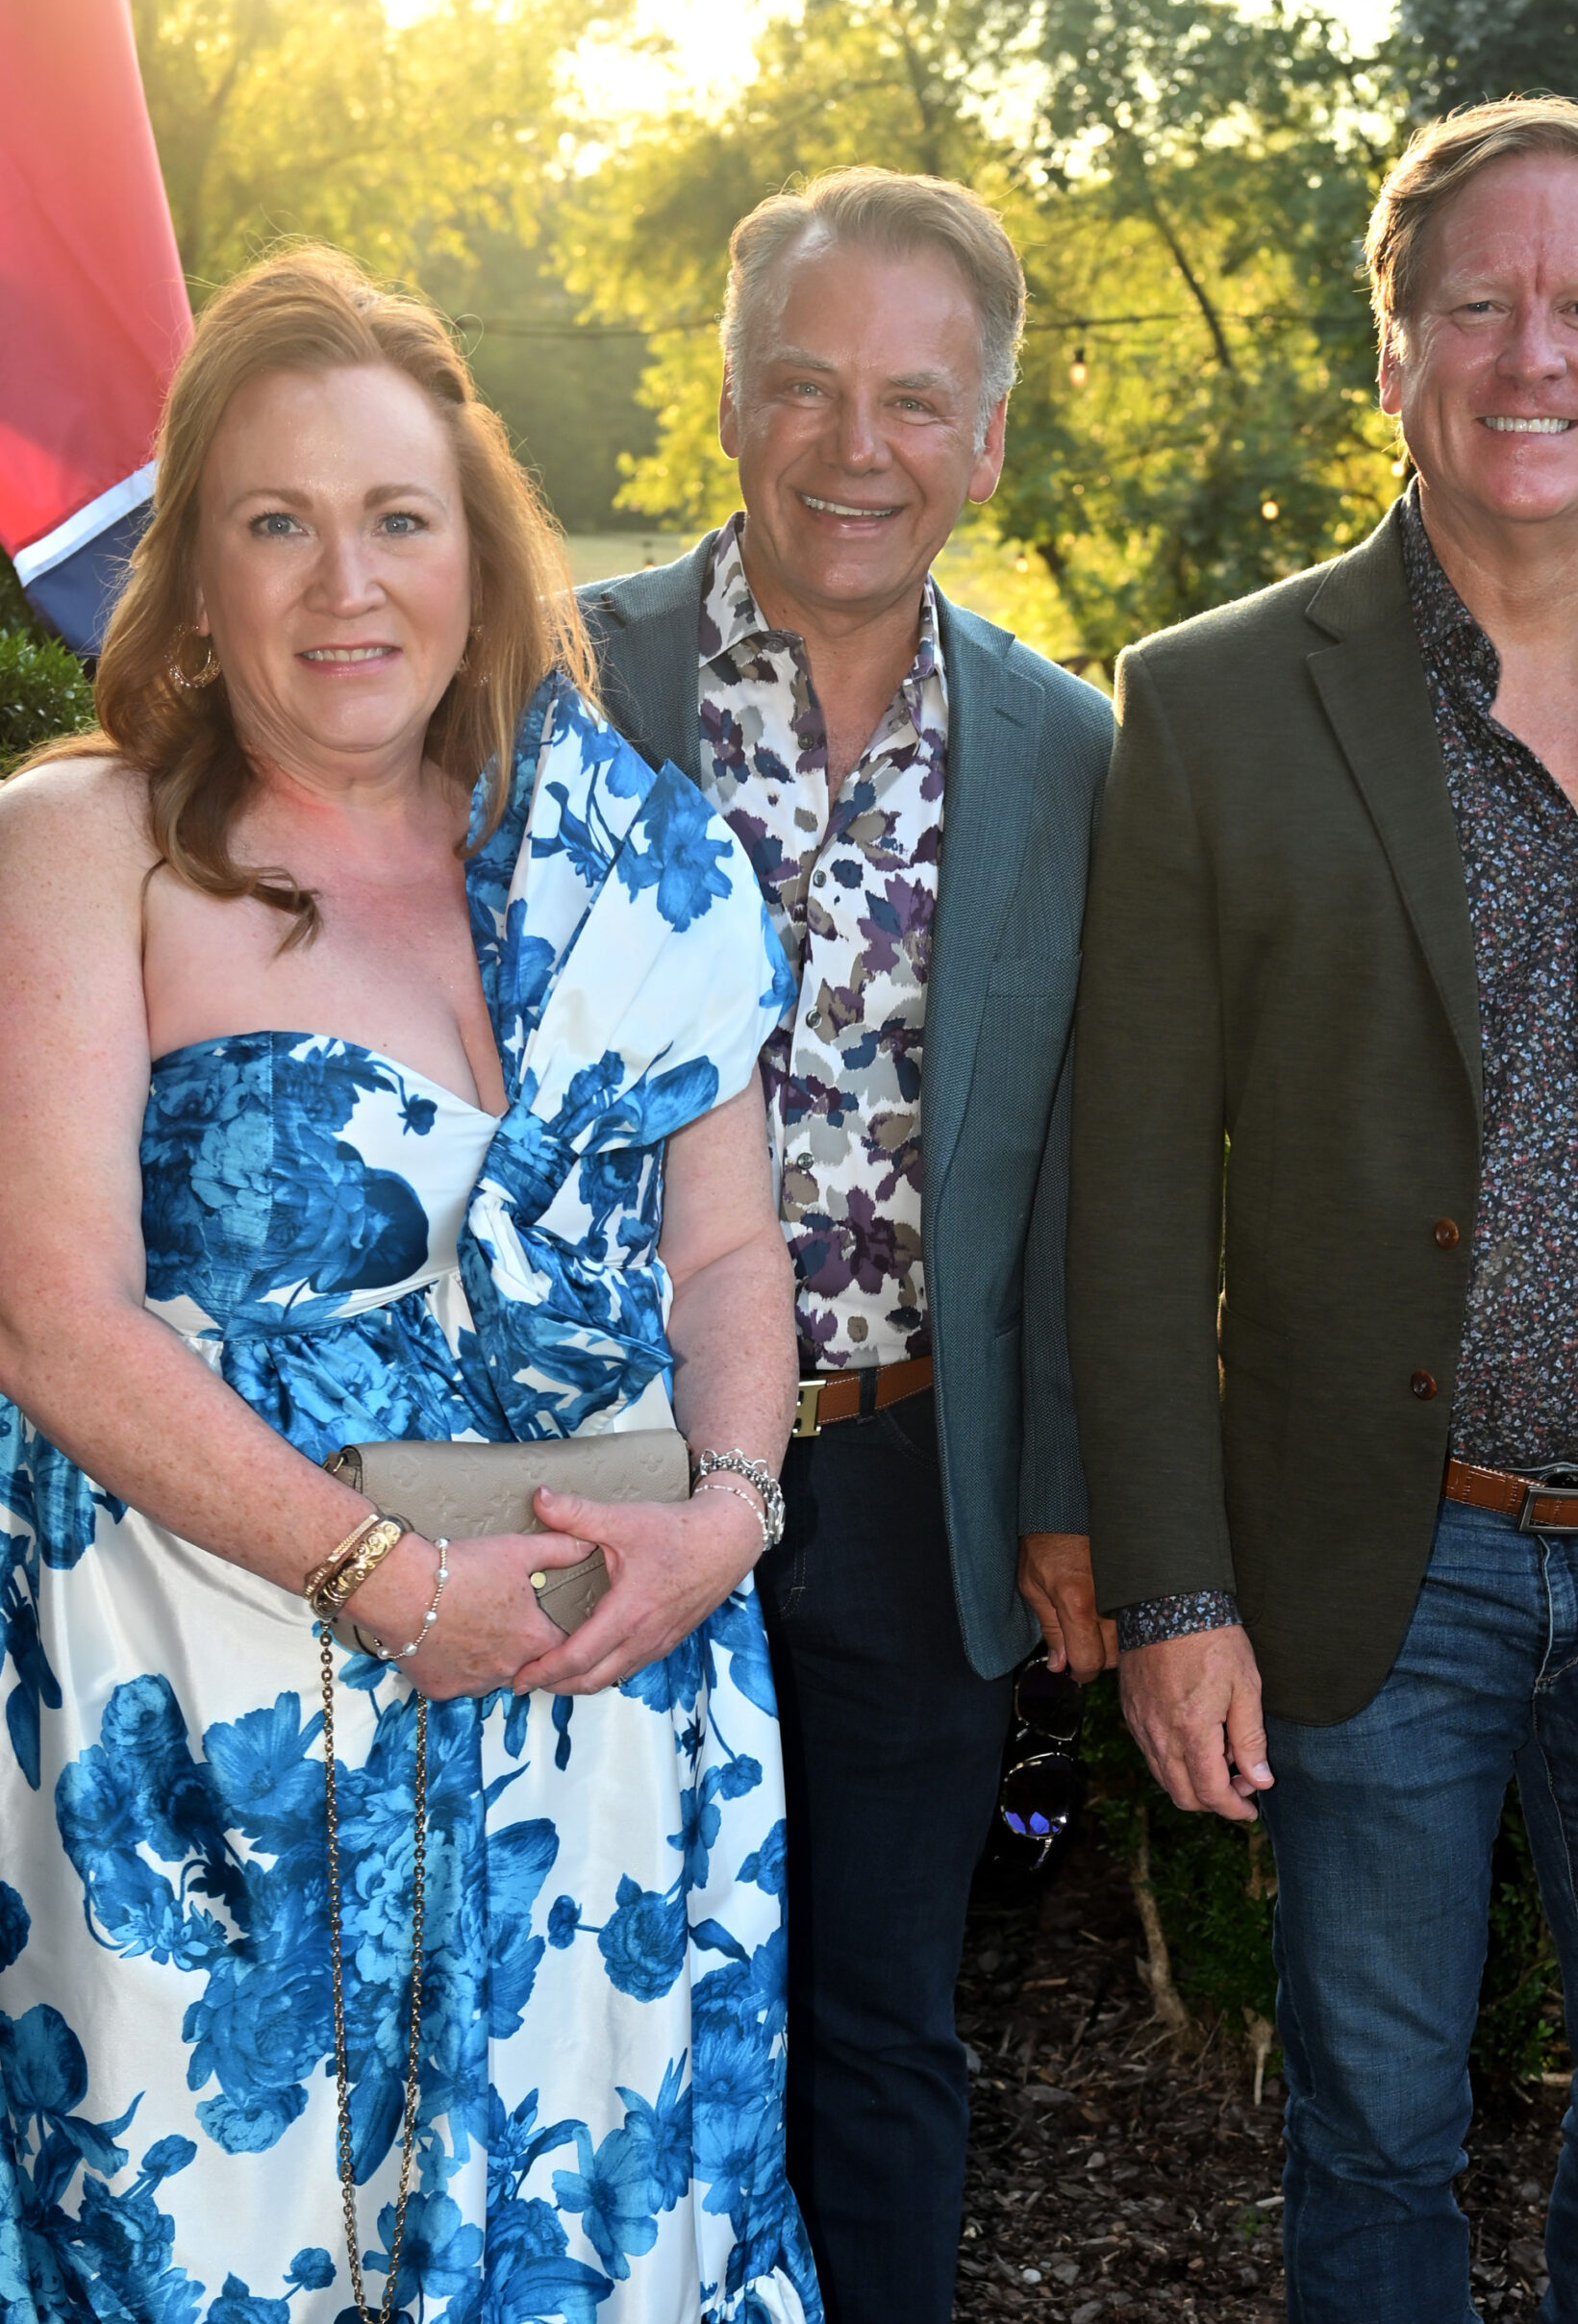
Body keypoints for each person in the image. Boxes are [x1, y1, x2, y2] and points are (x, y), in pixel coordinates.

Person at [1067, 95, 1578, 2321]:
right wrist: (1172, 1593)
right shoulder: (1214, 703)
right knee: (1371, 2129)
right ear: (1390, 353)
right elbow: (1128, 1191)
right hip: (1380, 1557)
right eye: (1474, 307)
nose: (1531, 355)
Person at [0, 248, 818, 2312]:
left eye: (397, 519)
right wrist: (382, 1583)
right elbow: (52, 1315)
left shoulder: (632, 864)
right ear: (195, 576)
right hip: (217, 1731)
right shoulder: (83, 846)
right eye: (276, 523)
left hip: (601, 1688)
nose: (344, 584)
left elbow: (728, 1248)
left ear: (479, 557)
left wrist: (726, 1520)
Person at [579, 166, 1115, 2324]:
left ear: (985, 440)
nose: (853, 446)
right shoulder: (551, 676)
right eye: (804, 385)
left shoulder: (1069, 749)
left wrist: (1066, 1499)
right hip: (598, 1456)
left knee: (880, 2028)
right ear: (728, 401)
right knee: (589, 2005)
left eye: (912, 400)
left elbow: (1081, 1162)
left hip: (908, 1475)